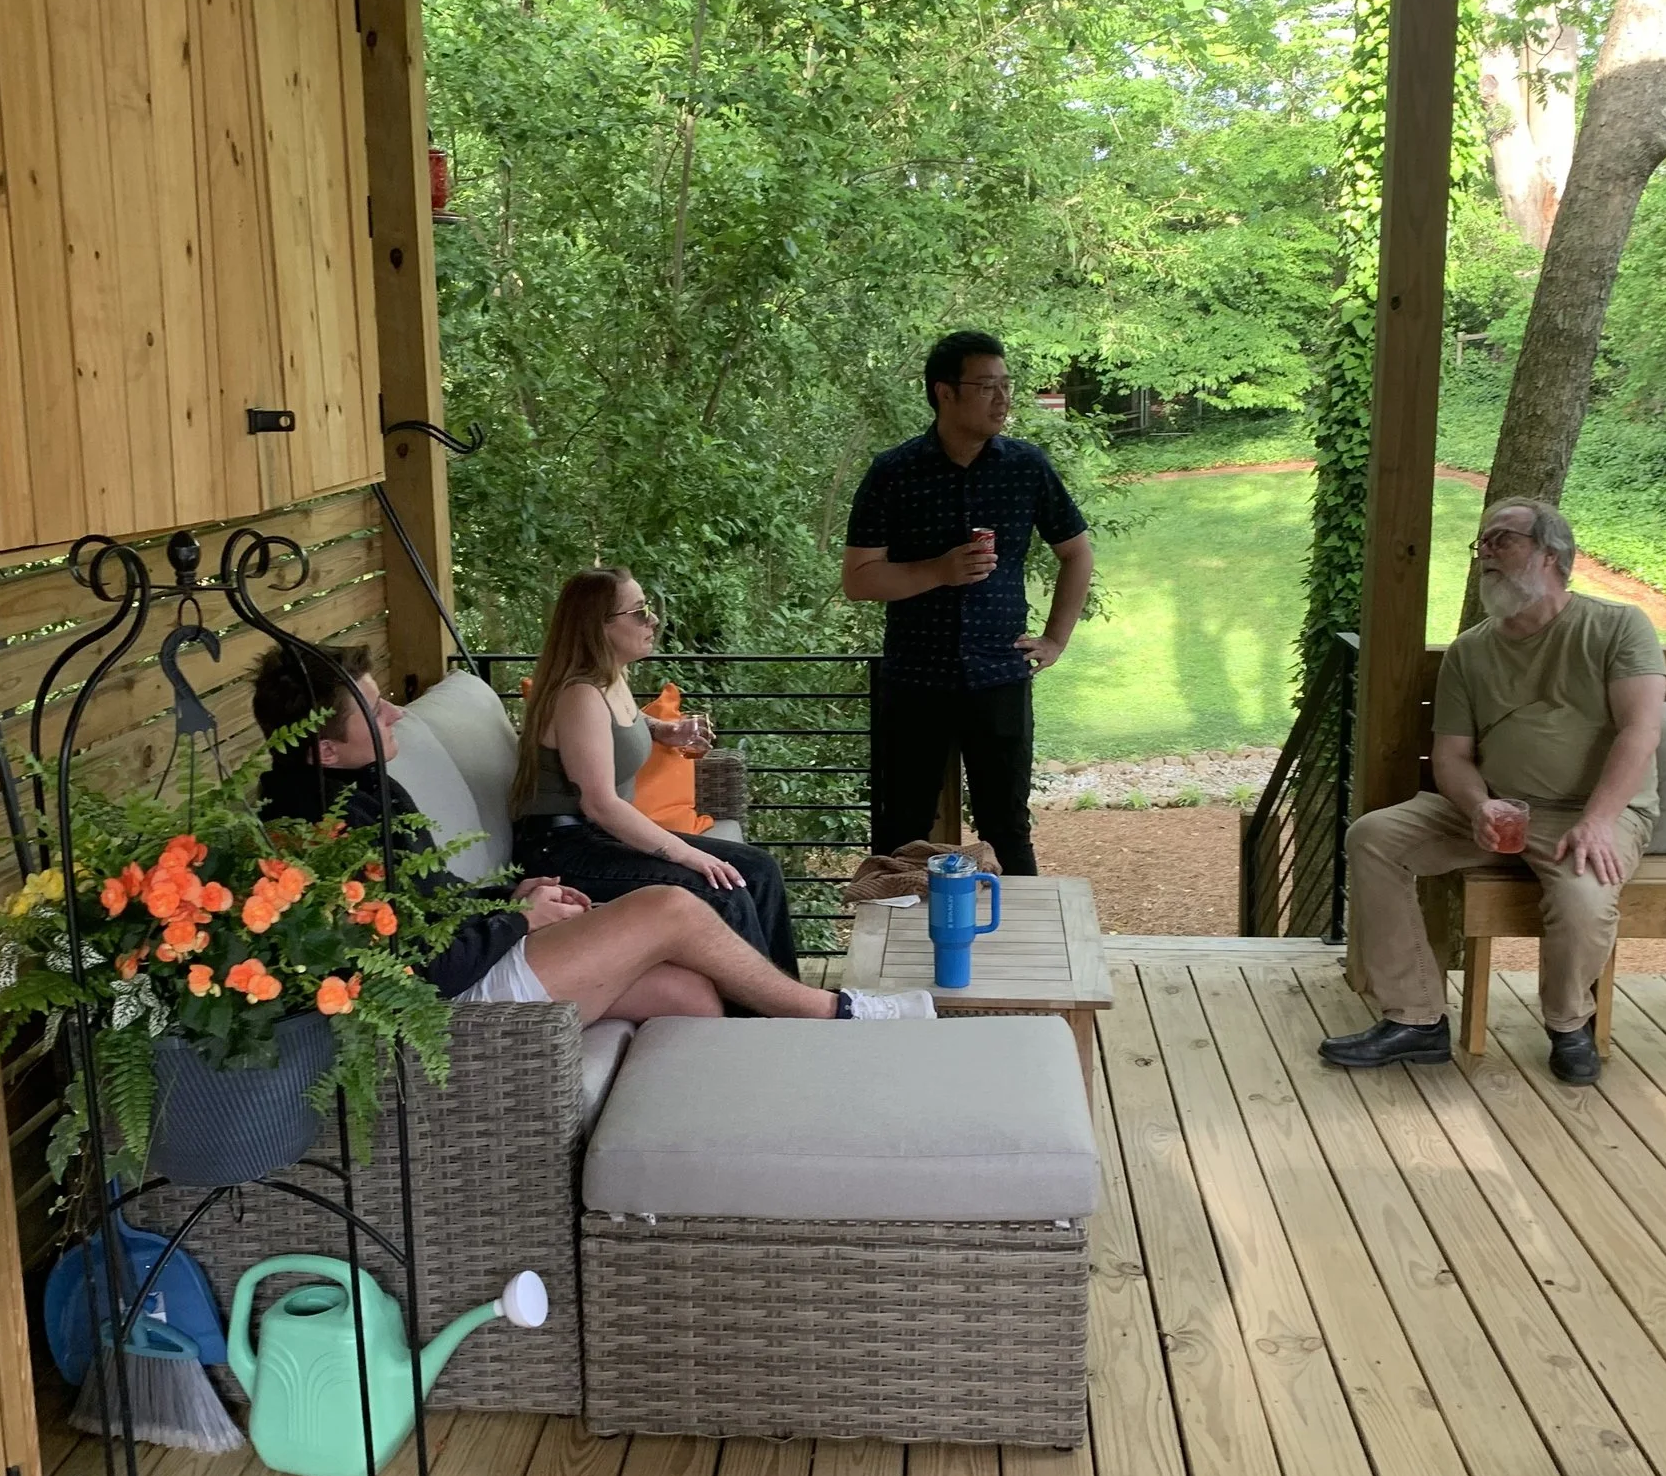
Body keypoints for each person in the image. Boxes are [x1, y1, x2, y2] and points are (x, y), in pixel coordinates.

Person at [250, 643, 933, 1023]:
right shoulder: (325, 836)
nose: (395, 714)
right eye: (372, 710)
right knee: (670, 906)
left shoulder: (363, 789)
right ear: (324, 750)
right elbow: (424, 967)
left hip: (472, 960)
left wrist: (507, 901)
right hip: (450, 1005)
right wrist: (518, 918)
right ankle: (831, 1013)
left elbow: (424, 914)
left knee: (689, 995)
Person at [1322, 497, 1666, 1085]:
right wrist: (1480, 805)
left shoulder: (1616, 627)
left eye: (1502, 540)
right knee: (1374, 836)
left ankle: (1567, 1024)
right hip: (1497, 809)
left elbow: (1641, 730)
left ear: (1552, 554)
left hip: (1592, 814)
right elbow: (1453, 756)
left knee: (1585, 897)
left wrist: (1600, 819)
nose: (1484, 554)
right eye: (1481, 543)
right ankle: (1416, 1018)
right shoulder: (1471, 651)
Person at [843, 331, 1094, 875]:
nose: (1003, 399)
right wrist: (939, 571)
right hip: (914, 679)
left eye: (1007, 386)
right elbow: (859, 580)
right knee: (898, 828)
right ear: (945, 393)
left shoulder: (1026, 466)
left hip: (998, 676)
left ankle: (1023, 951)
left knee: (1007, 826)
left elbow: (1077, 554)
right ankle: (897, 956)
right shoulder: (894, 473)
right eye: (987, 387)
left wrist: (1055, 640)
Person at [508, 569, 803, 976]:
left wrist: (665, 730)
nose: (653, 620)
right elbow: (600, 804)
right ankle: (751, 1021)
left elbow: (618, 726)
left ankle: (789, 1005)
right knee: (723, 891)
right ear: (600, 626)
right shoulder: (578, 695)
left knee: (760, 870)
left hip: (597, 838)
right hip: (562, 848)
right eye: (640, 612)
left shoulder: (610, 676)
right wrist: (690, 854)